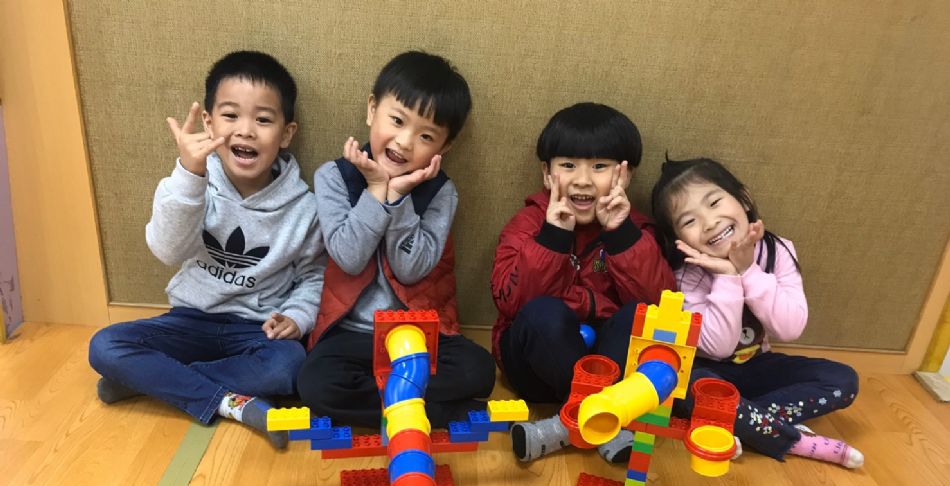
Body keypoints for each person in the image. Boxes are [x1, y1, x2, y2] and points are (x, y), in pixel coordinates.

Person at [89, 51, 325, 449]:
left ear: (286, 134)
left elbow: (314, 275)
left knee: (289, 366)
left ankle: (154, 382)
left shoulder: (305, 208)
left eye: (263, 119)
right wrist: (189, 175)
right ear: (208, 123)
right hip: (188, 321)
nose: (245, 131)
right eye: (231, 116)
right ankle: (232, 403)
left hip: (255, 330)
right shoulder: (188, 183)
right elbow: (168, 251)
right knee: (105, 346)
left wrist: (298, 316)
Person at [296, 51, 495, 428]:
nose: (404, 142)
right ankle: (432, 410)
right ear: (372, 110)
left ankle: (393, 400)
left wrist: (399, 197)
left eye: (425, 136)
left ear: (444, 148)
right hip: (351, 333)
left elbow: (410, 270)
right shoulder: (333, 177)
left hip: (421, 333)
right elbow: (349, 258)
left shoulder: (441, 193)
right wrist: (375, 191)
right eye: (397, 120)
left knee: (478, 370)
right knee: (314, 384)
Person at [490, 103, 674, 463]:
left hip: (607, 365)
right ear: (547, 173)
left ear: (626, 174)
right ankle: (602, 417)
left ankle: (572, 422)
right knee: (543, 313)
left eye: (600, 166)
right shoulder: (528, 224)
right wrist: (553, 238)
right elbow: (511, 302)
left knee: (641, 315)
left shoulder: (638, 230)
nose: (583, 180)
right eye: (568, 165)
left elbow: (660, 306)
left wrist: (620, 234)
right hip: (536, 367)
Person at [650, 156, 863, 468]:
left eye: (714, 202)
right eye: (689, 221)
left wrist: (748, 270)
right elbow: (719, 347)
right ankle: (788, 438)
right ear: (679, 240)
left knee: (843, 380)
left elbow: (790, 328)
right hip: (709, 371)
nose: (709, 222)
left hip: (759, 365)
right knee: (685, 388)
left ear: (744, 199)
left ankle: (739, 423)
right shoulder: (687, 275)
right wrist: (726, 276)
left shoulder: (777, 250)